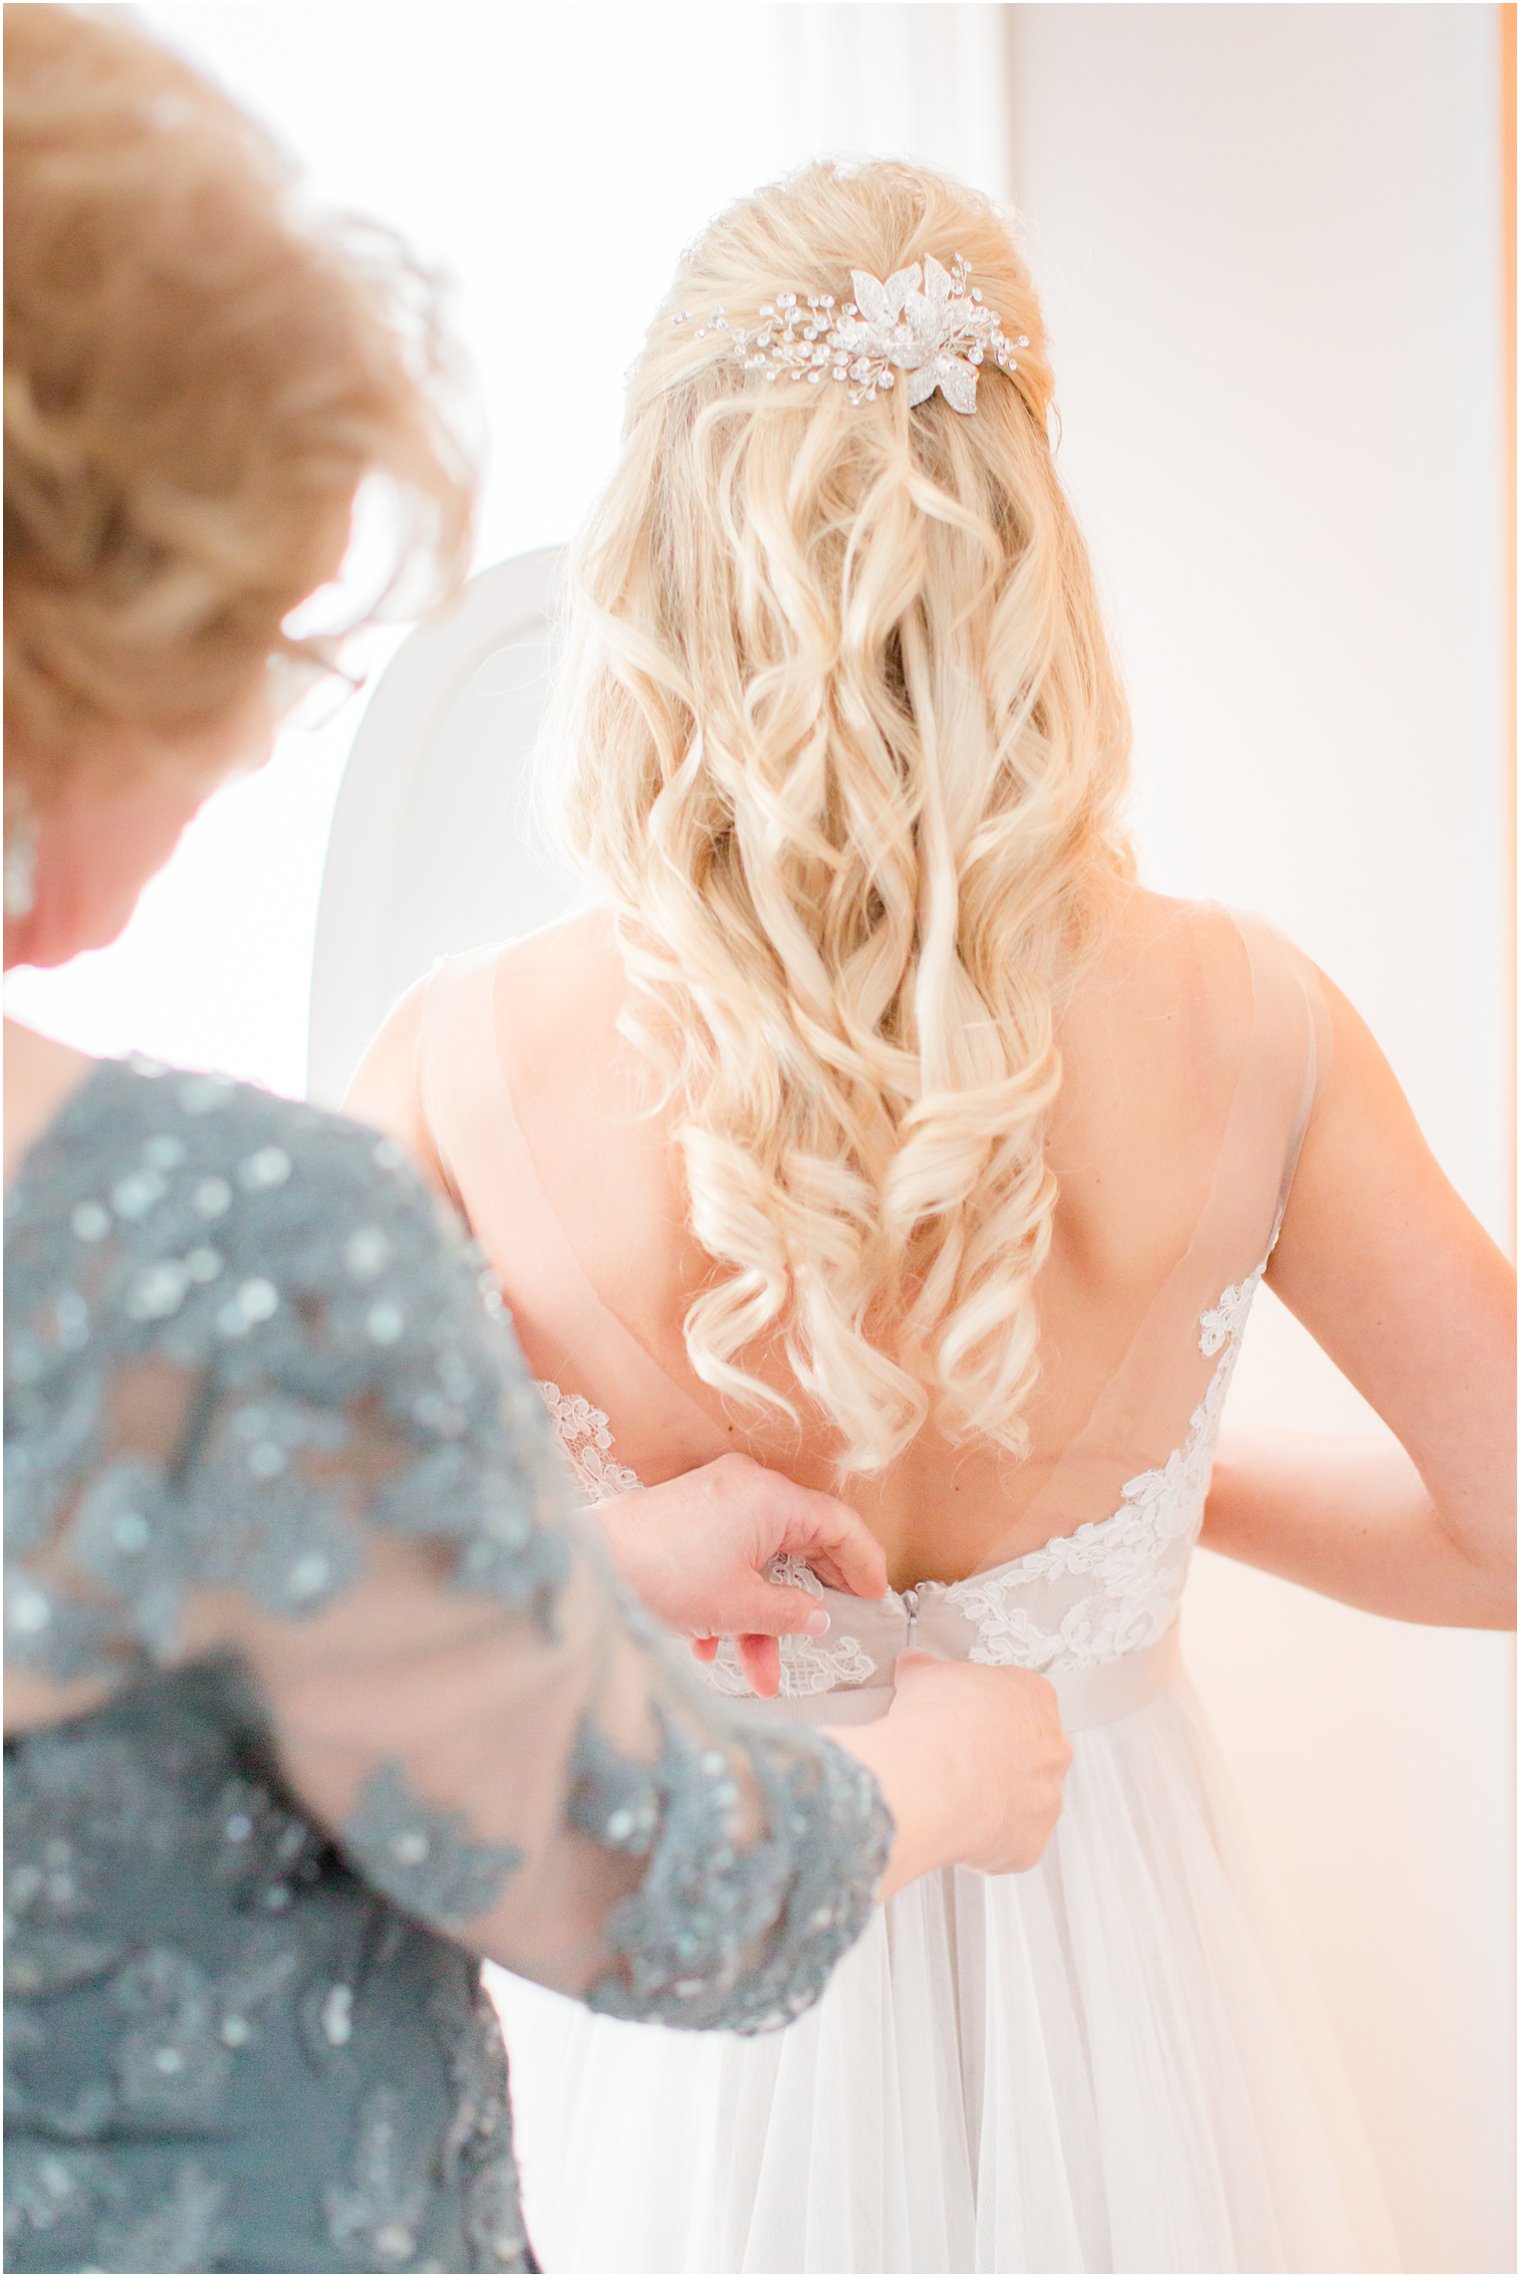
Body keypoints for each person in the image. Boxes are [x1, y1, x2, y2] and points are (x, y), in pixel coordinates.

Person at [351, 158, 1516, 2273]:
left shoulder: (456, 1064)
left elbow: (310, 1616)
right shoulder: (1258, 1028)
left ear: (658, 558)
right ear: (1025, 551)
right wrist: (1164, 1505)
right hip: (1123, 2012)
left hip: (683, 2001)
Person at [1, 23, 1074, 2274]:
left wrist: (546, 1559)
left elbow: (125, 1668)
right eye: (252, 656)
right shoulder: (217, 1241)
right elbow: (630, 1874)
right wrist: (946, 1778)